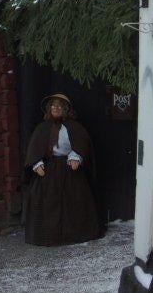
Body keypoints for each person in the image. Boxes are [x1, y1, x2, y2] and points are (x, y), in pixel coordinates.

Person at [24, 92, 101, 246]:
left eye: (59, 106)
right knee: (47, 201)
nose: (56, 108)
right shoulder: (42, 128)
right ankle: (48, 236)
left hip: (69, 169)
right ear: (48, 108)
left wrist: (75, 156)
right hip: (48, 170)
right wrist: (37, 163)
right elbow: (34, 149)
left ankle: (73, 234)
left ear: (66, 109)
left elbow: (82, 144)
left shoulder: (74, 127)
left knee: (73, 200)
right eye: (53, 105)